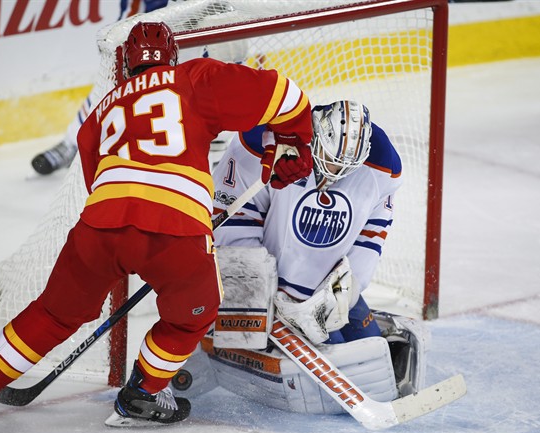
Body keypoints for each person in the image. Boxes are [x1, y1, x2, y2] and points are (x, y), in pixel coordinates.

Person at [0, 21, 314, 431]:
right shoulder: (193, 77)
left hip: (99, 228)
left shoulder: (99, 113)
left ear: (125, 64)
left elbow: (96, 180)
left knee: (55, 312)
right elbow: (286, 95)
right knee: (194, 314)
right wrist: (292, 143)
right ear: (171, 56)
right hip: (174, 230)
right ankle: (145, 392)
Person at [169, 100, 429, 414]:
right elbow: (232, 217)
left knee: (370, 356)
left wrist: (348, 286)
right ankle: (202, 345)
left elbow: (374, 227)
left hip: (320, 286)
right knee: (243, 331)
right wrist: (259, 290)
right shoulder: (264, 139)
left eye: (345, 169)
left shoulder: (383, 163)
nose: (335, 174)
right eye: (331, 163)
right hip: (259, 271)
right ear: (317, 136)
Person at [31, 0, 180, 175]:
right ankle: (72, 142)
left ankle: (213, 147)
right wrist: (121, 34)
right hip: (154, 23)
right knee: (116, 72)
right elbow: (133, 11)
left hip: (205, 16)